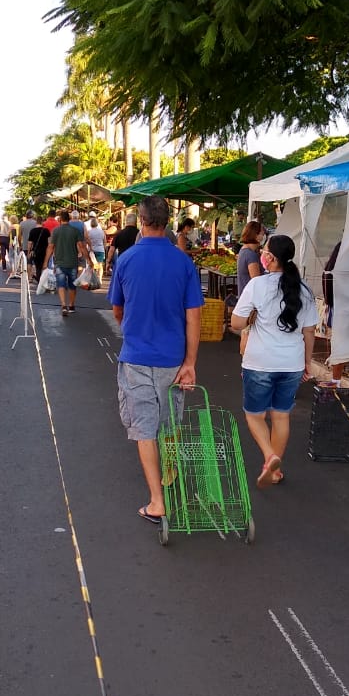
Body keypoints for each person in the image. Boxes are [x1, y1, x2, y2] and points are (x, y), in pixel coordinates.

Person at [109, 195, 203, 525]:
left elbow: (117, 308)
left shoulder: (127, 260)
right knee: (171, 420)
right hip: (174, 359)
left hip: (136, 356)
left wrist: (131, 328)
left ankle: (156, 502)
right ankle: (171, 467)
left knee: (144, 427)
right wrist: (190, 361)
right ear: (168, 222)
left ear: (141, 219)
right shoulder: (183, 262)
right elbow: (194, 316)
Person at [230, 234, 316, 488]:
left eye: (264, 251)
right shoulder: (304, 291)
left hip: (259, 362)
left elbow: (236, 323)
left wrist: (252, 318)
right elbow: (309, 331)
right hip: (291, 363)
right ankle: (275, 471)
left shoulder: (257, 286)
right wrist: (307, 362)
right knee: (281, 417)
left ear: (270, 258)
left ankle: (270, 456)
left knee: (255, 415)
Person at [44, 209, 89, 315]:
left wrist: (45, 262)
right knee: (72, 285)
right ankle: (72, 305)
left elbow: (50, 247)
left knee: (61, 284)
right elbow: (81, 246)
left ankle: (63, 305)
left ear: (60, 220)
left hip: (59, 262)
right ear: (69, 219)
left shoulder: (55, 231)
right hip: (73, 262)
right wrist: (89, 260)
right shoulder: (75, 231)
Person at [236, 221, 265, 295]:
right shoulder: (251, 255)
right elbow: (256, 281)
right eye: (262, 233)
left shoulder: (244, 250)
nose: (264, 236)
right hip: (250, 299)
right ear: (256, 236)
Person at [85, 214, 107, 284]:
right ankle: (100, 279)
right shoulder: (102, 232)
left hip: (92, 251)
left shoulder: (89, 232)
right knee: (100, 265)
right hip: (100, 250)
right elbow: (104, 242)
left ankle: (92, 280)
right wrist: (104, 249)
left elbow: (86, 241)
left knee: (91, 265)